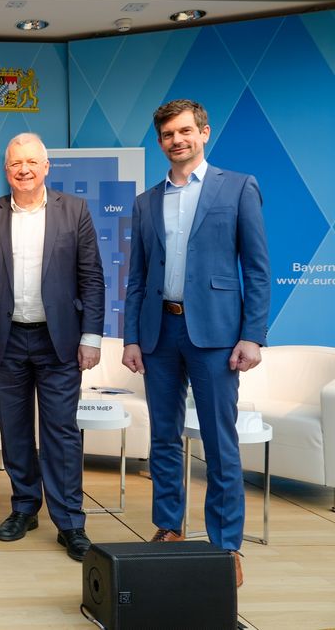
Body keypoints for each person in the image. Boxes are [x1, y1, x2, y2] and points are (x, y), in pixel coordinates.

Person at [122, 99, 270, 587]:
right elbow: (137, 277)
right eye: (167, 134)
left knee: (219, 442)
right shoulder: (146, 201)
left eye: (185, 131)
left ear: (203, 133)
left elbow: (256, 268)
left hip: (216, 335)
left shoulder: (239, 187)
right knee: (163, 437)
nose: (176, 140)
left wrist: (252, 335)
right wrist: (132, 339)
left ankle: (226, 547)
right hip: (160, 332)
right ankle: (169, 528)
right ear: (160, 142)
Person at [0, 132, 105, 562]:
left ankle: (70, 522)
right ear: (5, 170)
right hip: (5, 340)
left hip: (58, 340)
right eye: (14, 164)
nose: (23, 169)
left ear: (47, 167)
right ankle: (25, 507)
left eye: (31, 162)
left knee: (61, 431)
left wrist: (91, 336)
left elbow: (92, 277)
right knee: (15, 429)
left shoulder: (74, 211)